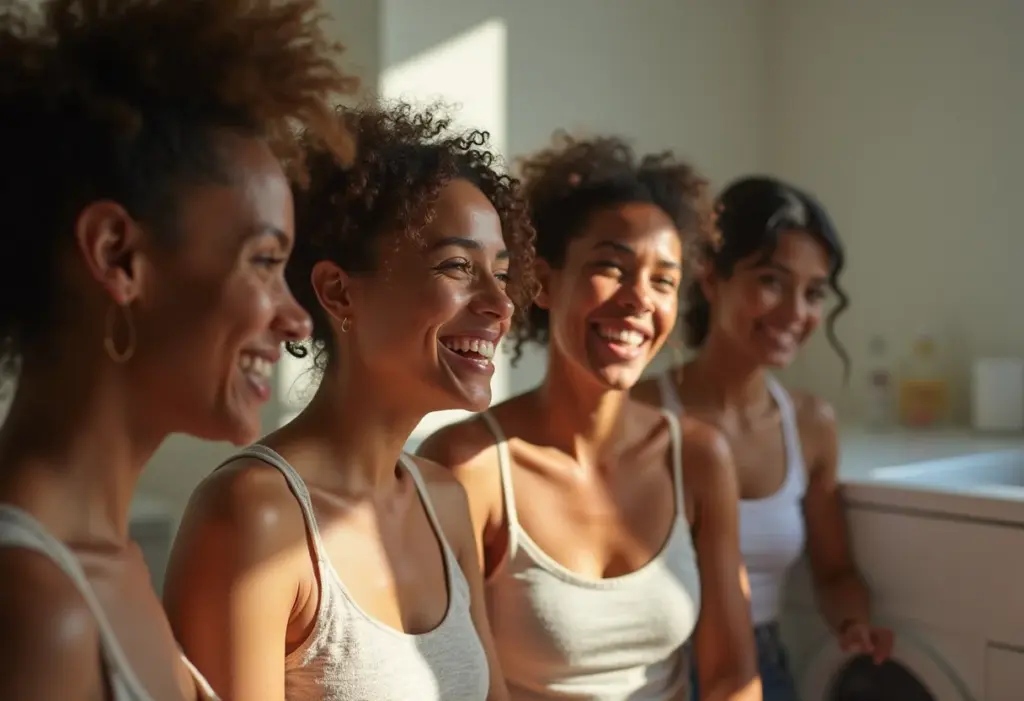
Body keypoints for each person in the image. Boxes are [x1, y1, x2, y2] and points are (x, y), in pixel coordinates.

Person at [0, 0, 356, 699]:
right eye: (262, 260)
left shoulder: (109, 559)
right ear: (118, 255)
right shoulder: (36, 605)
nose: (297, 321)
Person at [161, 102, 536, 701]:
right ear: (338, 291)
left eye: (502, 271)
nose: (500, 302)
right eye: (459, 266)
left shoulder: (445, 502)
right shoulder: (254, 513)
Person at [418, 134, 761, 701]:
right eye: (611, 267)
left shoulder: (699, 458)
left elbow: (731, 676)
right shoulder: (468, 465)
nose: (639, 300)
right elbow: (463, 685)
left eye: (664, 281)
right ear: (545, 283)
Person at [634, 175, 894, 701]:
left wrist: (854, 624)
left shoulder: (810, 424)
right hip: (653, 675)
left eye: (814, 292)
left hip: (763, 669)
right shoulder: (638, 412)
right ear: (710, 277)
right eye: (772, 281)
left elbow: (836, 571)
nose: (795, 313)